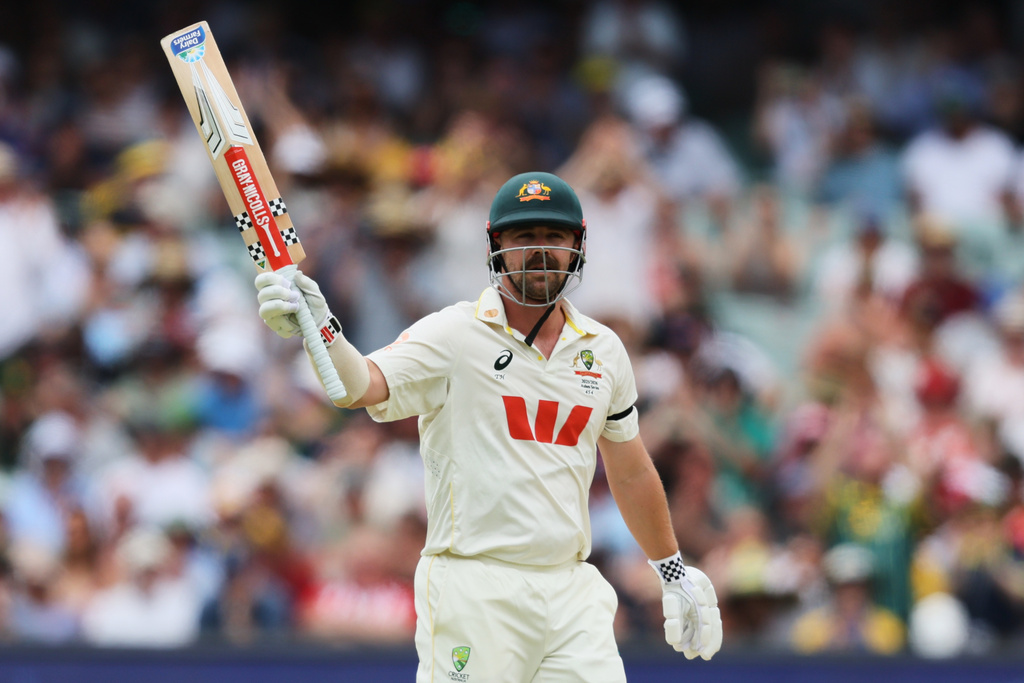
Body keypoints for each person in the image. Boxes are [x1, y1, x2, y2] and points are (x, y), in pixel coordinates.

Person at [254, 171, 722, 680]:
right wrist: (316, 328)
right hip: (473, 585)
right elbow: (358, 386)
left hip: (572, 589)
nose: (541, 251)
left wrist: (672, 571)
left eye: (555, 237)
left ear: (577, 247)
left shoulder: (604, 351)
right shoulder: (456, 333)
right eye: (524, 237)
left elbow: (630, 472)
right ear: (496, 246)